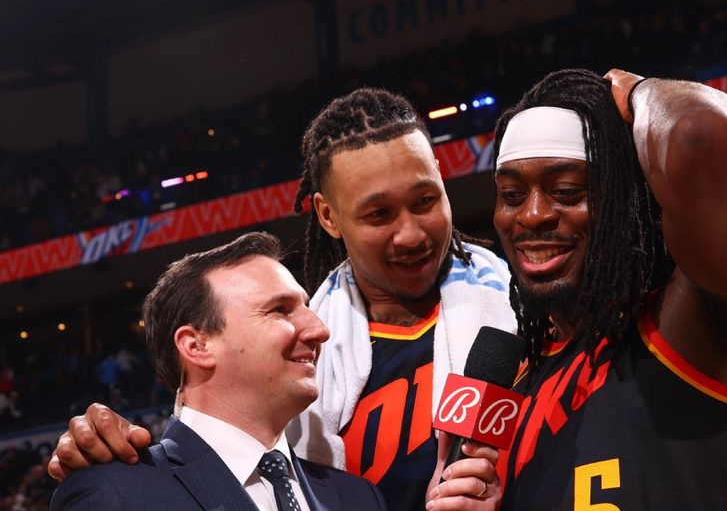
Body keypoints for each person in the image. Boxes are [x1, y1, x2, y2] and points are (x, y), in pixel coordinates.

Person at [49, 89, 514, 510]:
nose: (410, 233)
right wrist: (106, 454)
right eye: (379, 214)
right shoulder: (299, 369)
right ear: (329, 216)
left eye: (426, 201)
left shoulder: (525, 315)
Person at [492, 68, 727, 509]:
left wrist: (639, 91)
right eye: (511, 194)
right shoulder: (519, 385)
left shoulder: (701, 327)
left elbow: (700, 138)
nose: (533, 215)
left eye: (566, 190)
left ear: (627, 198)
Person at [51, 232, 500, 510]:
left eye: (306, 306)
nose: (320, 329)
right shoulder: (114, 494)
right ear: (197, 345)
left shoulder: (358, 498)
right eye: (281, 311)